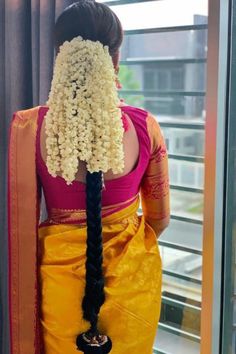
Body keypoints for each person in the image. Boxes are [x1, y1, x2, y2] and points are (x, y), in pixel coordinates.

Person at [7, 1, 170, 353]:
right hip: (131, 287)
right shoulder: (145, 126)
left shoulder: (30, 127)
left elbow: (21, 225)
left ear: (60, 56)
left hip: (61, 289)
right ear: (114, 58)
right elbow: (160, 219)